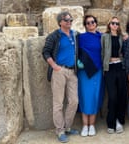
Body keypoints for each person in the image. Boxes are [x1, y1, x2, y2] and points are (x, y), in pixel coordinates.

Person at [42, 11, 79, 143]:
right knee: (58, 103)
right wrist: (55, 66)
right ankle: (60, 130)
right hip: (59, 71)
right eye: (66, 20)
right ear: (60, 22)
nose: (69, 22)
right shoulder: (55, 35)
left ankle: (67, 127)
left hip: (72, 71)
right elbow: (45, 51)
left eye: (70, 20)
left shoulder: (75, 35)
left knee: (74, 101)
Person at [78, 15, 104, 137]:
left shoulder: (102, 37)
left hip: (97, 71)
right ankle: (85, 125)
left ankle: (92, 124)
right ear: (85, 25)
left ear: (96, 23)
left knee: (94, 96)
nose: (90, 24)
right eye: (88, 23)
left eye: (93, 22)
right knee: (84, 96)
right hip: (84, 71)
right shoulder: (81, 37)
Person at [101, 16, 127, 134]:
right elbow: (102, 52)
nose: (115, 25)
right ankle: (110, 122)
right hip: (109, 68)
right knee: (112, 97)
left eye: (117, 23)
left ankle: (119, 120)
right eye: (113, 23)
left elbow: (125, 51)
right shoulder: (104, 37)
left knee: (121, 95)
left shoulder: (122, 37)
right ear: (109, 24)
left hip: (120, 67)